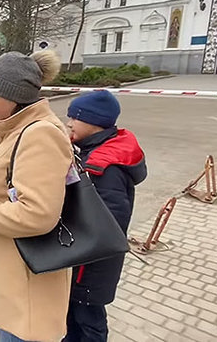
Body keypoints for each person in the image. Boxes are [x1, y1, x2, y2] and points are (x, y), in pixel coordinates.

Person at [0, 50, 73, 342]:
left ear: (14, 96)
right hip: (12, 283)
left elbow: (37, 214)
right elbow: (4, 185)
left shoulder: (39, 134)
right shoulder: (16, 129)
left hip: (26, 291)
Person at [63, 91, 147, 342]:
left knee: (89, 320)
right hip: (85, 257)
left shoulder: (105, 167)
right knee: (73, 317)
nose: (68, 123)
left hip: (93, 264)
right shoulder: (92, 149)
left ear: (94, 122)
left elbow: (111, 221)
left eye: (74, 118)